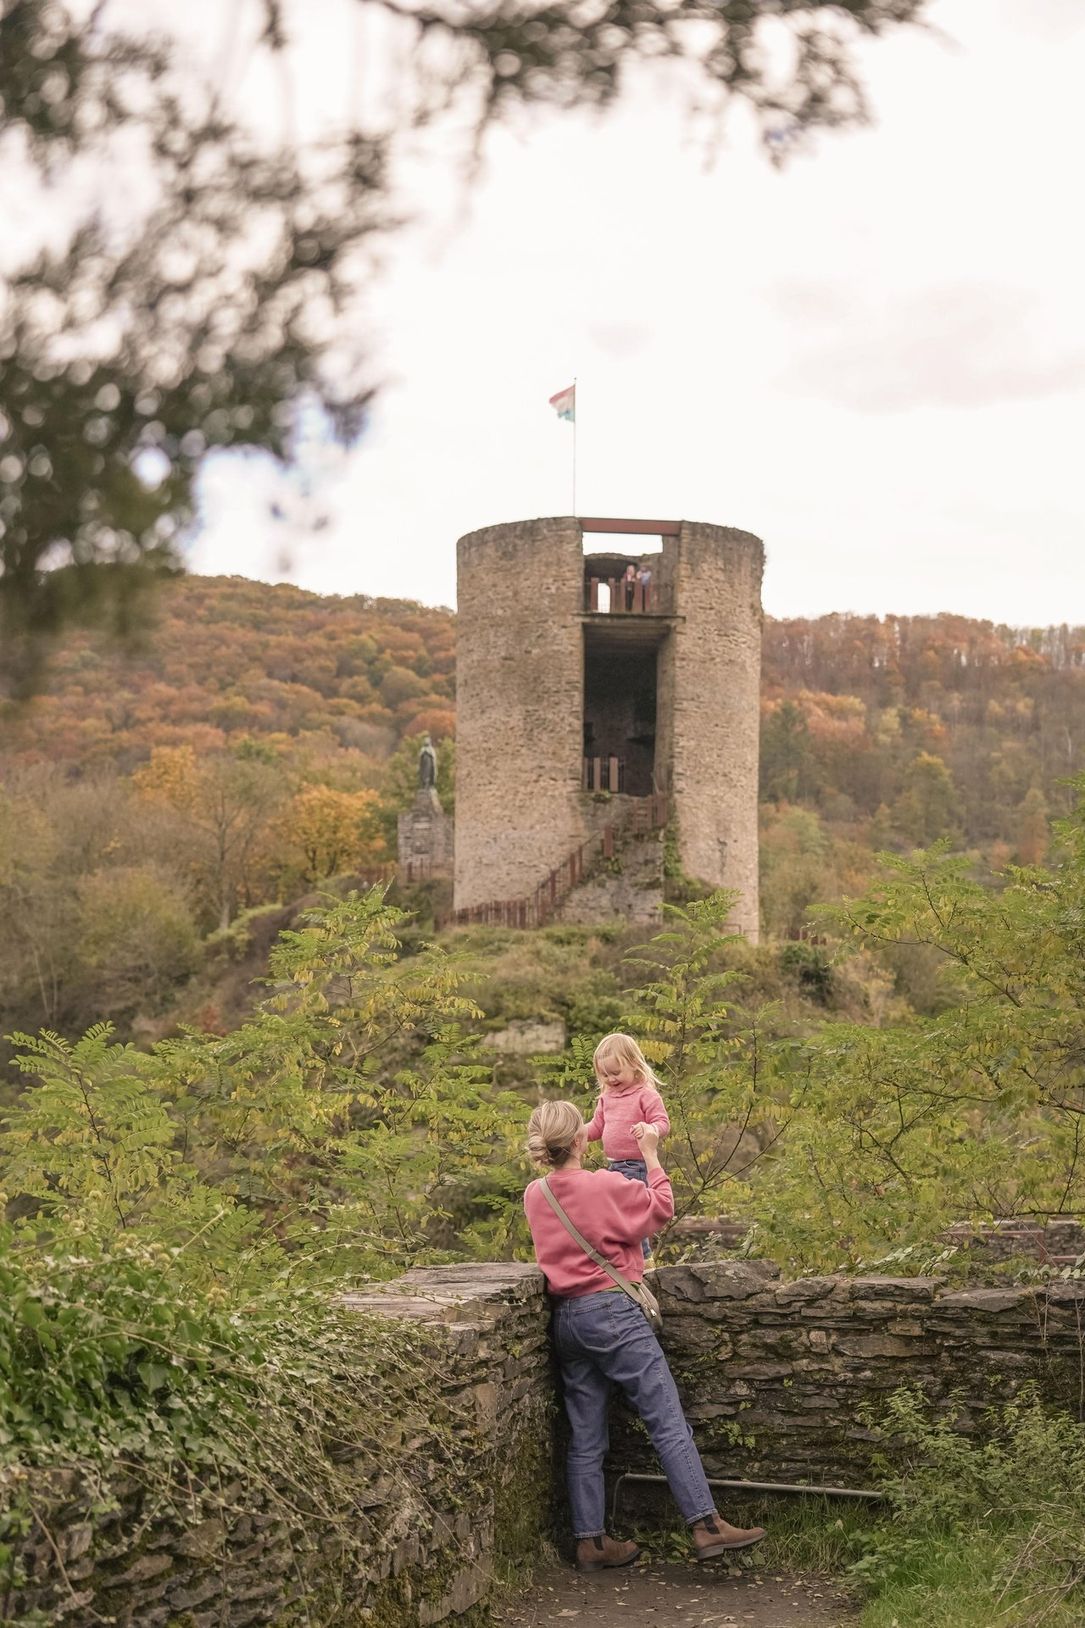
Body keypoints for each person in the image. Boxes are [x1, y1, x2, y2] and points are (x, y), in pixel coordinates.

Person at [524, 1100, 765, 1571]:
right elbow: (661, 1209)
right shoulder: (607, 1184)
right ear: (579, 1141)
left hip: (568, 1320)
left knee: (586, 1436)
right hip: (613, 1314)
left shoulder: (536, 1194)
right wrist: (651, 1155)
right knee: (666, 1419)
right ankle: (706, 1525)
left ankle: (591, 1542)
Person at [585, 1033, 668, 1257]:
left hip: (637, 1165)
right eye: (605, 1074)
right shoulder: (606, 1098)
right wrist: (578, 1133)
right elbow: (596, 1128)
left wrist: (649, 1129)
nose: (611, 1079)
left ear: (634, 1064)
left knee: (631, 1212)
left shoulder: (645, 1095)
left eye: (616, 1073)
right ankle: (624, 1255)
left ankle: (643, 1257)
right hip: (614, 1165)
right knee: (614, 1213)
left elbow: (662, 1122)